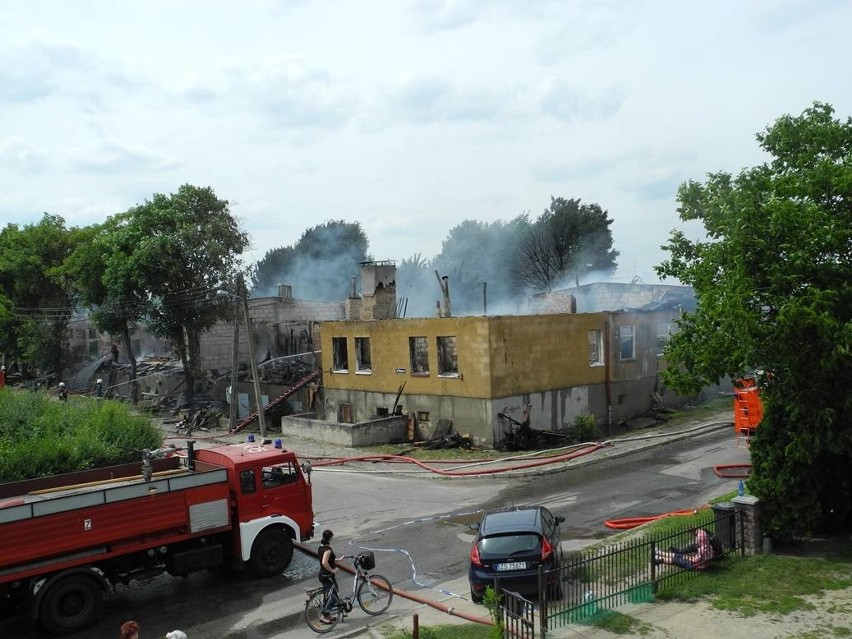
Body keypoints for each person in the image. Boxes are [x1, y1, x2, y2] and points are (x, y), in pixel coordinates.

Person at [317, 529, 340, 624]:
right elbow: (324, 562)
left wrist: (338, 560)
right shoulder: (328, 550)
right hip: (327, 575)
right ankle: (324, 615)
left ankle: (328, 615)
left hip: (322, 575)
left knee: (330, 595)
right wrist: (333, 570)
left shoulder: (321, 547)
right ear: (330, 538)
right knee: (335, 596)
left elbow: (329, 560)